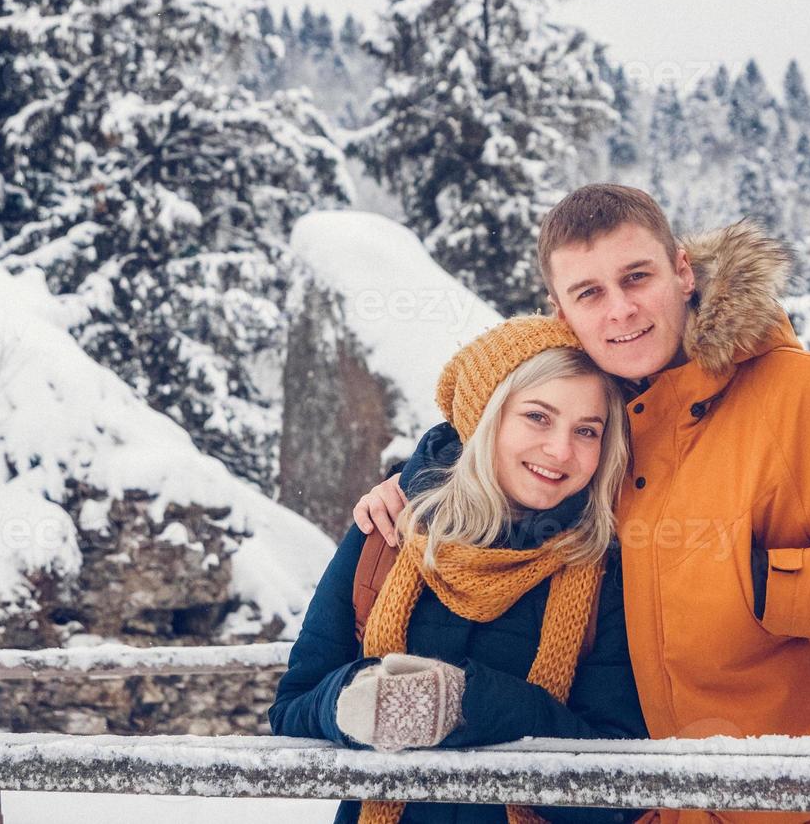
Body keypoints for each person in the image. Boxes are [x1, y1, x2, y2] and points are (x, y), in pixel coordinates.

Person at [355, 185, 810, 824]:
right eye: (590, 293)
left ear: (682, 270)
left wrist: (764, 584)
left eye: (638, 277)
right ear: (561, 312)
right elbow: (489, 437)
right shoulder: (593, 428)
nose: (622, 310)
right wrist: (412, 485)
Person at [270, 315, 648, 824]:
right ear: (486, 416)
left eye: (586, 430)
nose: (561, 450)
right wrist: (363, 696)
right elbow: (293, 710)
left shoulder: (607, 572)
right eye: (537, 417)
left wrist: (470, 704)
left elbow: (618, 788)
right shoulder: (386, 533)